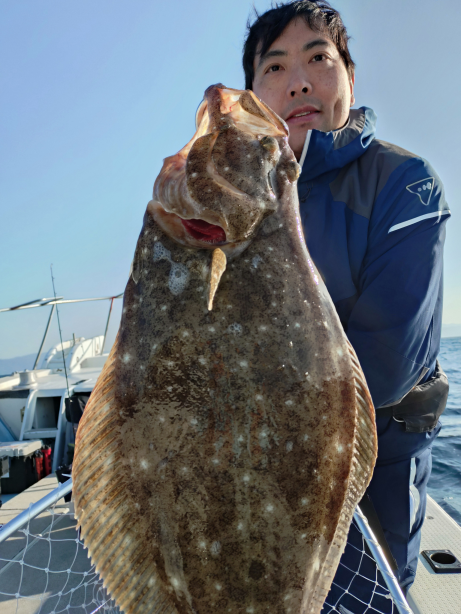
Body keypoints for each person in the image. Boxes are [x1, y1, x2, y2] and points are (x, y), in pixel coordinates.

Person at [243, 1, 450, 612]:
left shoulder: (405, 183)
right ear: (253, 98)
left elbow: (385, 363)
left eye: (317, 59)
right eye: (274, 68)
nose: (297, 82)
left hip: (370, 482)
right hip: (247, 475)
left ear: (349, 77)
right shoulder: (236, 197)